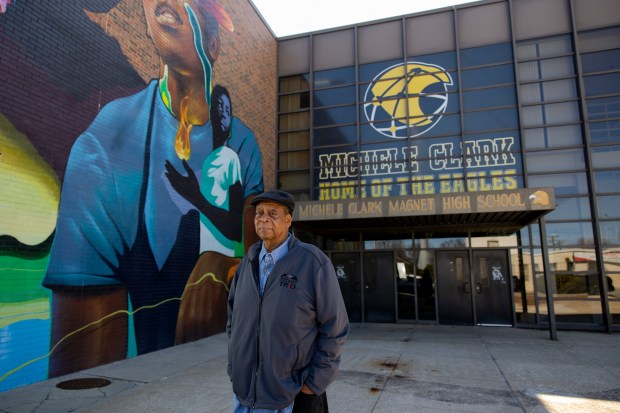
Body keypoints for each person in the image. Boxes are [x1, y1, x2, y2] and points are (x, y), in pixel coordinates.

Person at [43, 0, 263, 377]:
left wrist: (225, 273)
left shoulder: (242, 145)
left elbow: (263, 256)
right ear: (146, 23)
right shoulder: (107, 143)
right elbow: (85, 383)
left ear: (213, 46)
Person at [227, 190, 349, 413]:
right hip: (243, 395)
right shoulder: (247, 263)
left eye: (273, 213)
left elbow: (335, 327)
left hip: (288, 397)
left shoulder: (312, 262)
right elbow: (233, 318)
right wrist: (235, 364)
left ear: (288, 220)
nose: (263, 218)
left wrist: (313, 384)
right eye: (259, 212)